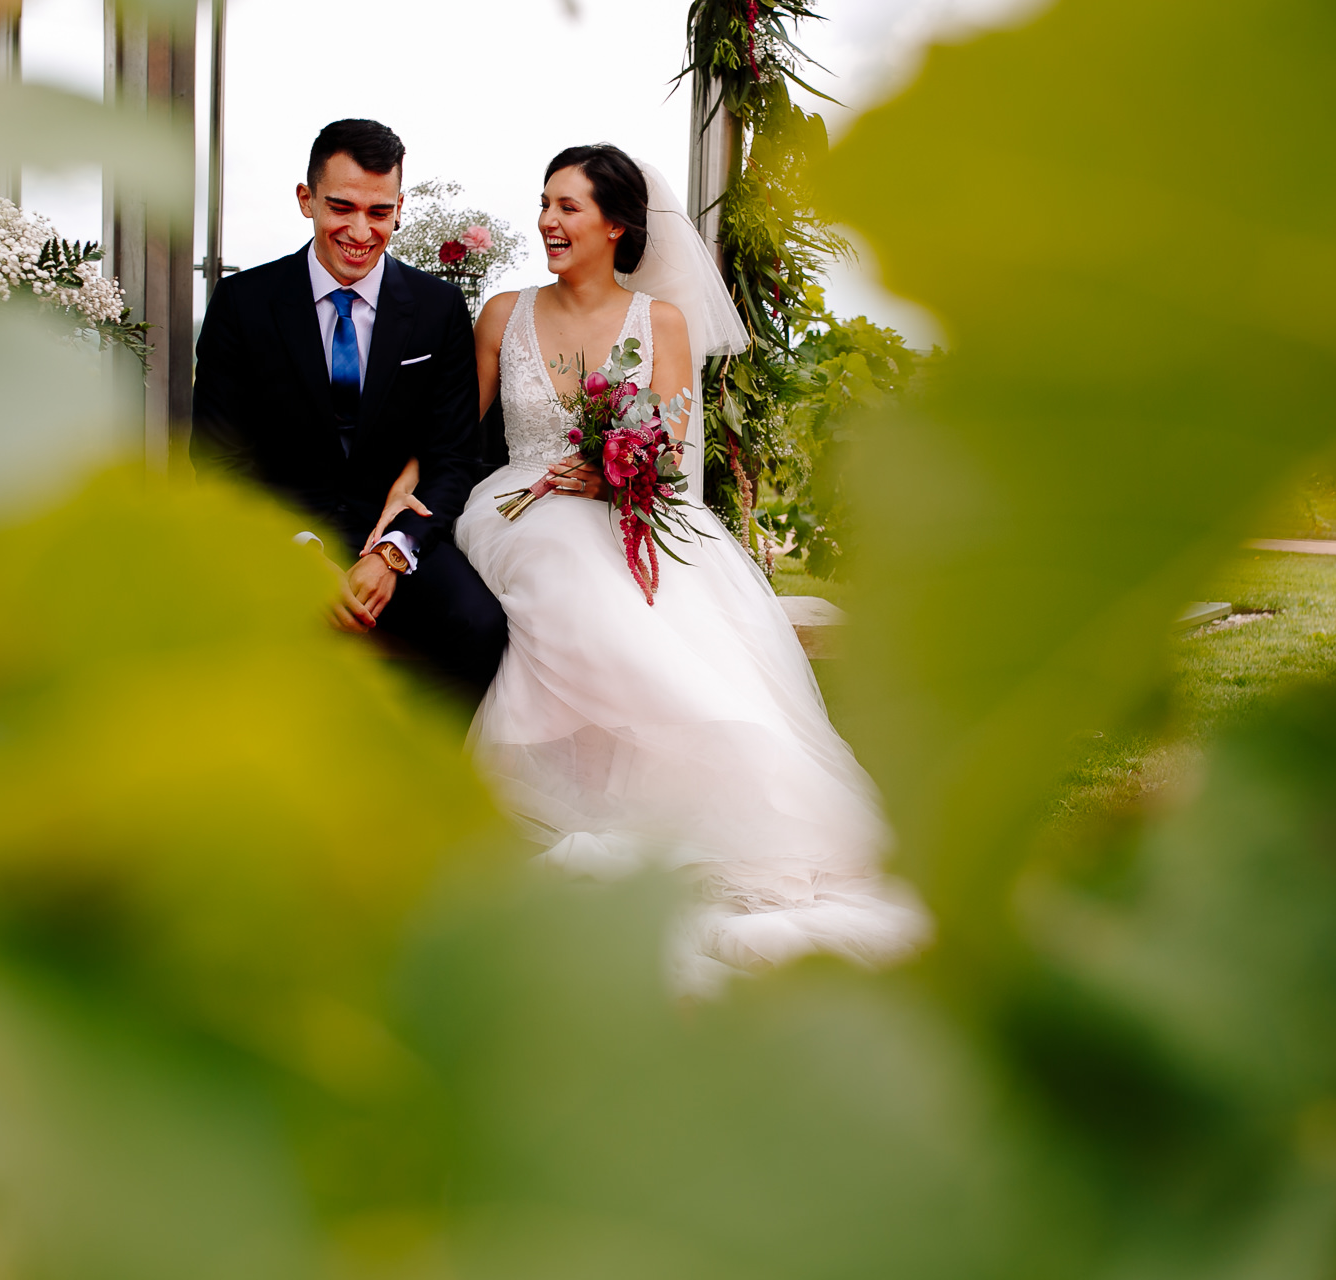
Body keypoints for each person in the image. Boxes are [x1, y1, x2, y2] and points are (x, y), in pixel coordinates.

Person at [376, 144, 929, 993]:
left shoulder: (659, 322)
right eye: (545, 204)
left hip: (630, 505)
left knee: (674, 607)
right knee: (568, 569)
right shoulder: (502, 314)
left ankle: (736, 786)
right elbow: (452, 441)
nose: (548, 223)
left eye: (568, 208)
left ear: (617, 225)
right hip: (522, 503)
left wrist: (613, 470)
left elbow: (668, 453)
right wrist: (393, 514)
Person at [191, 118, 506, 700]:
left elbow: (454, 457)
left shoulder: (438, 308)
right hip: (277, 532)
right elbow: (217, 459)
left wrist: (394, 553)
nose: (361, 230)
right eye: (342, 207)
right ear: (306, 200)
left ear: (399, 209)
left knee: (480, 626)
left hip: (395, 535)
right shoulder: (243, 303)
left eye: (380, 212)